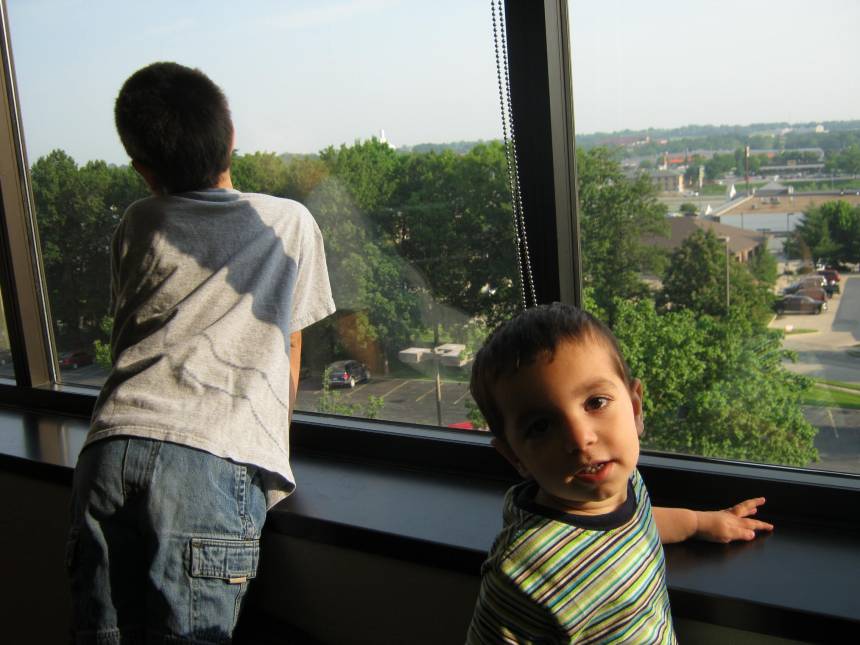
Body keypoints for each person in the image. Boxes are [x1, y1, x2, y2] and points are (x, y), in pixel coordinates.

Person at [66, 62, 335, 644]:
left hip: (108, 448)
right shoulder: (288, 223)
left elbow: (136, 329)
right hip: (210, 457)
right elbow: (288, 346)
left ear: (141, 168)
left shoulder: (139, 222)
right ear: (230, 133)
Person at [466, 303, 773, 644]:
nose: (580, 439)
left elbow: (639, 523)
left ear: (636, 408)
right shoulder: (523, 574)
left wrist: (702, 523)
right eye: (540, 426)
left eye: (596, 402)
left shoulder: (625, 485)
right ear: (514, 456)